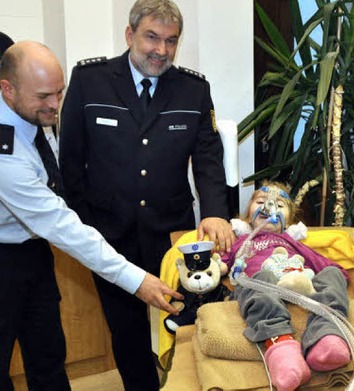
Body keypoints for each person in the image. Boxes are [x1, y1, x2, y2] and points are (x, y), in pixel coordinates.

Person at [58, 0, 233, 389]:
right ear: (130, 35)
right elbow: (71, 163)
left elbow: (207, 158)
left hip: (172, 234)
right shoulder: (90, 81)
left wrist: (216, 211)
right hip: (109, 233)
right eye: (152, 37)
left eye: (171, 41)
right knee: (126, 330)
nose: (162, 50)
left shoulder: (193, 88)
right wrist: (84, 227)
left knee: (188, 321)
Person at [0, 41, 181, 391]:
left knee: (48, 354)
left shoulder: (32, 109)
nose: (55, 105)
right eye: (44, 97)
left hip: (32, 252)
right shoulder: (5, 153)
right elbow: (60, 224)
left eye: (59, 92)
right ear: (7, 89)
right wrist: (138, 281)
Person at [221, 181, 351, 391]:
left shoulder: (292, 243)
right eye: (261, 202)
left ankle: (326, 335)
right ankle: (281, 347)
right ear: (248, 215)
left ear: (288, 220)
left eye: (279, 205)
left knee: (333, 274)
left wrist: (332, 278)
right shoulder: (241, 241)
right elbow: (219, 265)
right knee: (260, 277)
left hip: (299, 282)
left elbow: (330, 267)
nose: (269, 207)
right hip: (260, 286)